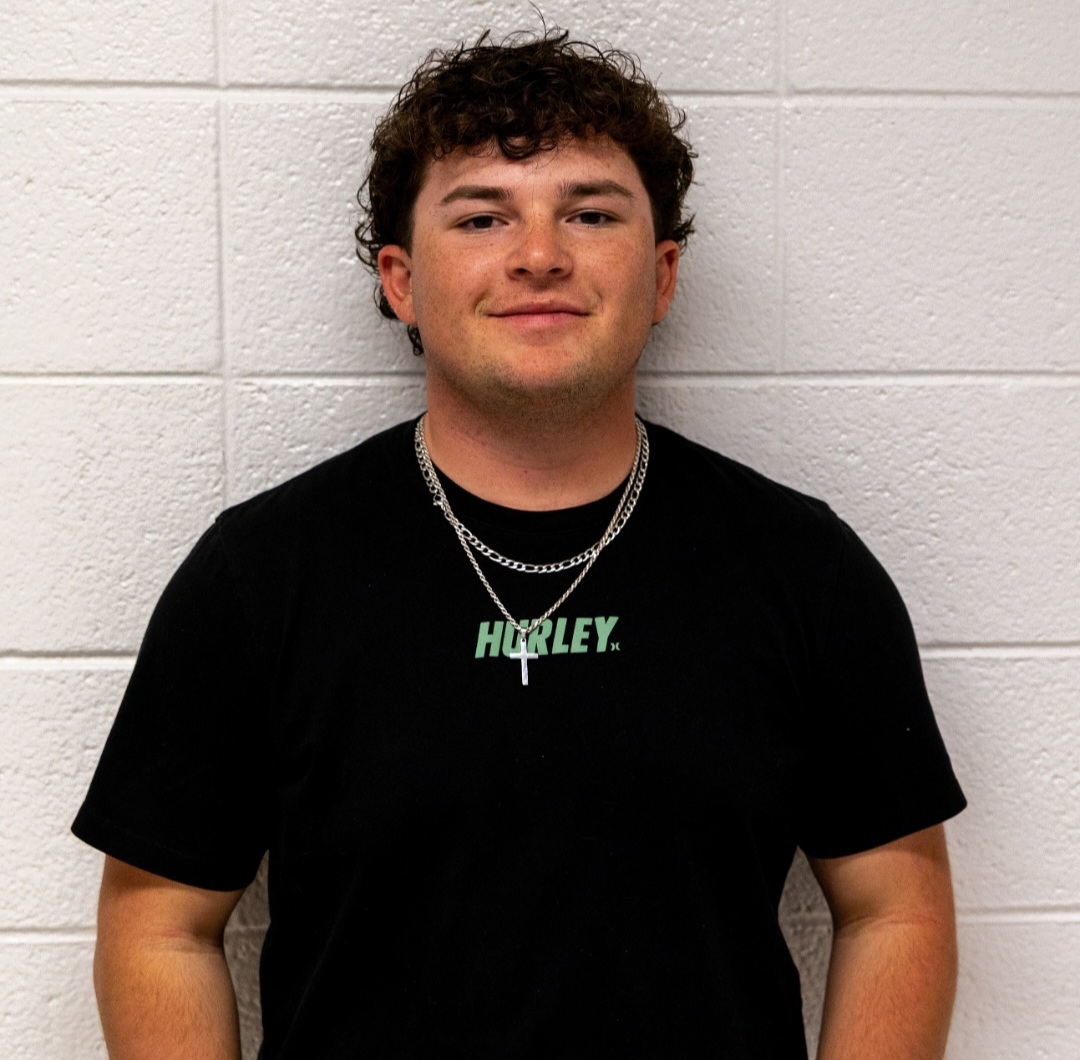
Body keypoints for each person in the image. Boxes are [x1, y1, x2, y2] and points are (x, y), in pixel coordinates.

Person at [74, 29, 966, 1060]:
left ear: (662, 274)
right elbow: (158, 924)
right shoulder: (261, 575)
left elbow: (896, 906)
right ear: (402, 281)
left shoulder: (803, 570)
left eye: (590, 214)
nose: (540, 254)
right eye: (482, 217)